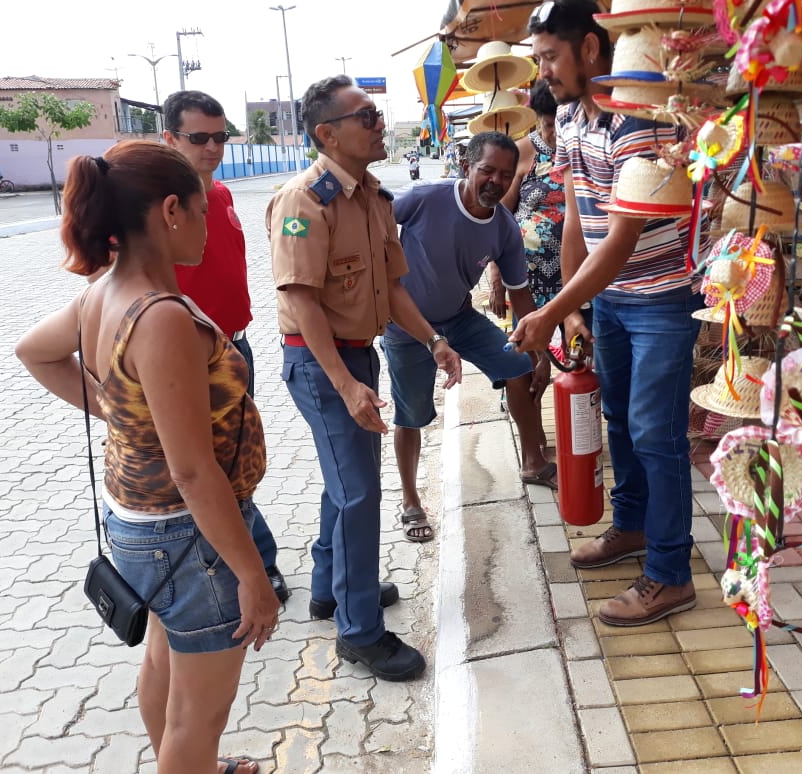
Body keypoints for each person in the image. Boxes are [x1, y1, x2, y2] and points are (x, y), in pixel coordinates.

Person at [15, 141, 279, 774]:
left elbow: (35, 349)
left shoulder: (104, 294)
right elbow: (192, 472)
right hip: (190, 538)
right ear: (170, 211)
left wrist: (119, 410)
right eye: (203, 210)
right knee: (201, 716)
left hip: (143, 526)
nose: (209, 224)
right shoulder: (158, 316)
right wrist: (252, 577)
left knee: (163, 668)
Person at [511, 0, 705, 627]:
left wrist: (550, 311)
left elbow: (621, 235)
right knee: (619, 421)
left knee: (657, 433)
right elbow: (576, 217)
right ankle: (632, 527)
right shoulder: (567, 118)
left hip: (661, 300)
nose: (543, 71)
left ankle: (672, 574)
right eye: (538, 58)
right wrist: (573, 310)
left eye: (549, 57)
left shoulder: (639, 122)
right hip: (610, 300)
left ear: (589, 50)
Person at [267, 75, 462, 682]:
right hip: (322, 363)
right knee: (359, 493)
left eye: (377, 114)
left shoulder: (371, 196)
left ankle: (331, 588)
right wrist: (346, 385)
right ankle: (359, 633)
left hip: (356, 357)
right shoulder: (305, 201)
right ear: (328, 134)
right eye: (367, 116)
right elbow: (300, 301)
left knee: (345, 482)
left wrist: (434, 340)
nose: (379, 124)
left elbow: (393, 287)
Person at [382, 130, 557, 544]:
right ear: (466, 167)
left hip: (459, 318)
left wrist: (539, 350)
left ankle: (533, 460)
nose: (496, 181)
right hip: (407, 327)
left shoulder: (505, 228)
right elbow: (376, 219)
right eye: (487, 170)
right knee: (412, 415)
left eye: (506, 174)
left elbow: (520, 294)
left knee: (519, 366)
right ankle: (410, 500)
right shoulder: (425, 197)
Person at [162, 89, 290, 605]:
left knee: (237, 463)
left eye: (220, 137)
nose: (212, 147)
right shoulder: (158, 209)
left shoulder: (221, 196)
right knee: (207, 471)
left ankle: (246, 563)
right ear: (170, 138)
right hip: (188, 359)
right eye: (199, 138)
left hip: (235, 349)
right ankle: (252, 567)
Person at [491, 78, 565, 314]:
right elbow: (499, 219)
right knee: (531, 348)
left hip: (578, 279)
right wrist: (496, 281)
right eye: (548, 125)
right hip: (529, 283)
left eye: (561, 125)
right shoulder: (523, 151)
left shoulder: (582, 149)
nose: (554, 134)